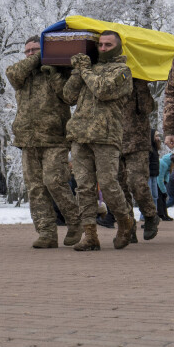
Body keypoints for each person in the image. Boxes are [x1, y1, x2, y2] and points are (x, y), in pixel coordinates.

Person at [5, 35, 82, 248]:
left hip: (54, 136)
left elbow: (69, 97)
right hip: (27, 138)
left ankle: (75, 221)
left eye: (35, 50)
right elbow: (13, 75)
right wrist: (37, 58)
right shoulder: (22, 73)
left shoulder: (57, 69)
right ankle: (46, 232)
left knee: (54, 180)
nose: (30, 54)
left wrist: (52, 70)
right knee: (35, 187)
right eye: (27, 51)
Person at [63, 30, 134, 251]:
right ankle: (90, 235)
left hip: (105, 136)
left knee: (110, 184)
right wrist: (77, 70)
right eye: (100, 45)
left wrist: (84, 69)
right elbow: (68, 96)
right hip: (80, 135)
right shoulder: (87, 70)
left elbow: (103, 90)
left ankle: (125, 222)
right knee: (83, 188)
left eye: (108, 45)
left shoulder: (123, 71)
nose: (103, 49)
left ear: (118, 47)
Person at [116, 79, 161, 242]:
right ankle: (129, 227)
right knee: (120, 190)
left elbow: (147, 108)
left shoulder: (137, 83)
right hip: (114, 142)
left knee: (137, 183)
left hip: (137, 142)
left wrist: (140, 85)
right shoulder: (108, 80)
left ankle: (150, 215)